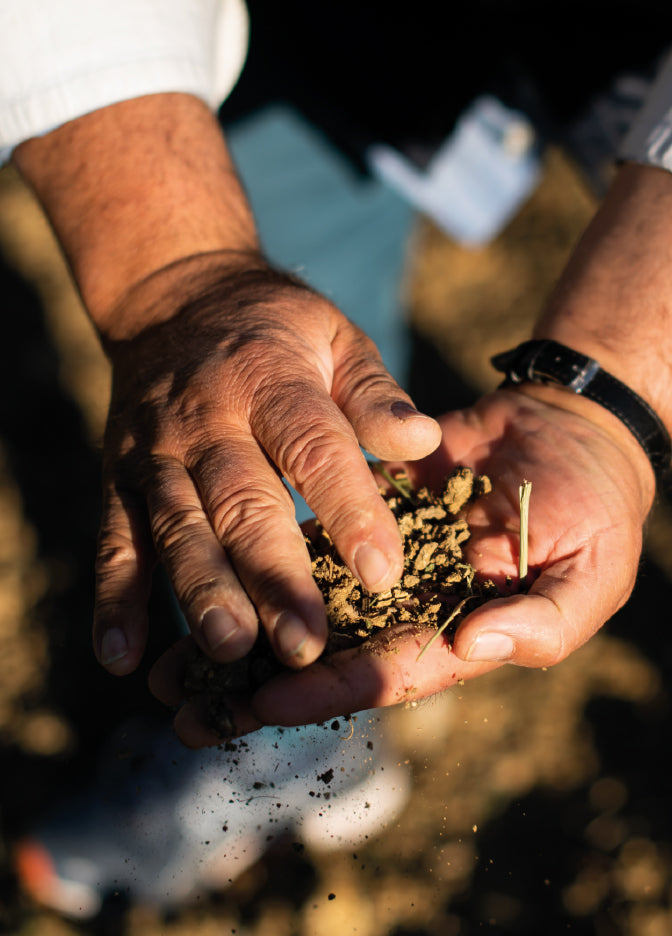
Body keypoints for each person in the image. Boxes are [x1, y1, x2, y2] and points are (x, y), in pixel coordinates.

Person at [4, 0, 672, 916]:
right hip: (327, 36)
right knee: (271, 380)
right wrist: (178, 271)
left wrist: (618, 391)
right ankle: (296, 744)